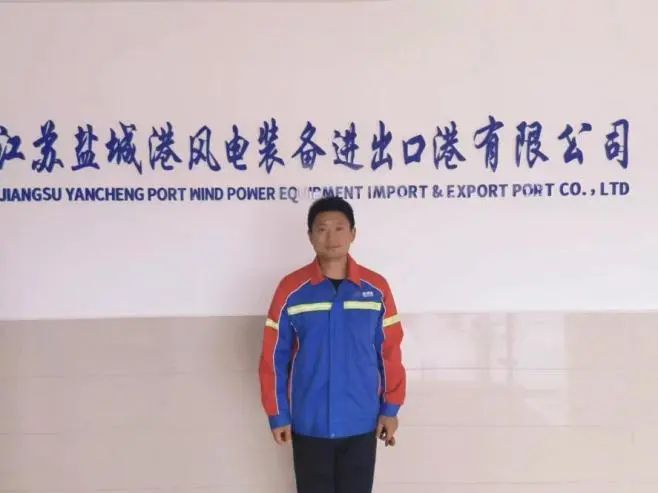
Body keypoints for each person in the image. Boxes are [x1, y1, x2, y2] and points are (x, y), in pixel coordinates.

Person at [258, 197, 406, 493]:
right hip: (309, 422)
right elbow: (274, 357)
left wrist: (390, 409)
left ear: (353, 233)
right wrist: (278, 414)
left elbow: (389, 352)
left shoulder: (376, 289)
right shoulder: (291, 290)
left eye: (339, 228)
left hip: (362, 420)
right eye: (322, 228)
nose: (331, 237)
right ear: (310, 235)